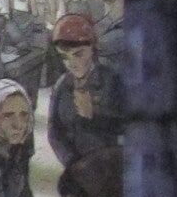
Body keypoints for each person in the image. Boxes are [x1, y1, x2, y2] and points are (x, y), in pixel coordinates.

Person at [46, 13, 125, 174]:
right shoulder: (61, 86)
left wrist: (93, 117)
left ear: (92, 50)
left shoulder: (113, 81)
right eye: (64, 57)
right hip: (77, 172)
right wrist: (72, 163)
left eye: (78, 54)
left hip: (111, 171)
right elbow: (54, 132)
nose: (71, 64)